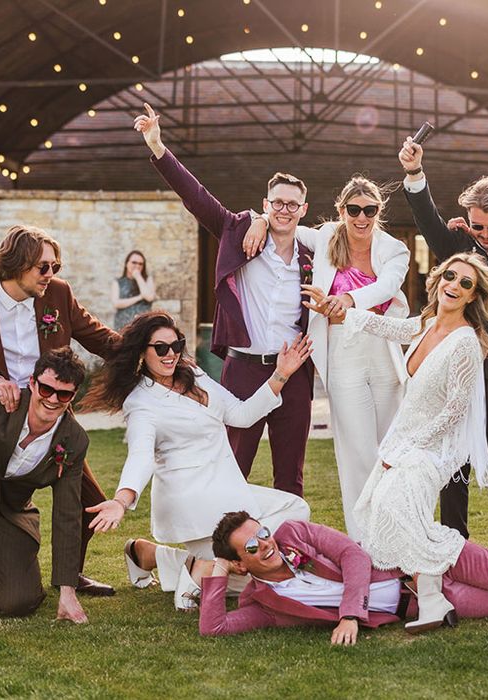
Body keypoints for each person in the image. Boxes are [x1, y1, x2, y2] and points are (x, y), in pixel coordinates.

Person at [305, 253, 488, 632]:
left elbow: (455, 411)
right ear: (439, 280)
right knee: (382, 508)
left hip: (437, 447)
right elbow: (386, 326)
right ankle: (431, 597)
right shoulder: (426, 323)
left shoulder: (466, 343)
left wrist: (408, 451)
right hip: (404, 438)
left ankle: (444, 581)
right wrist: (340, 312)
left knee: (399, 506)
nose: (454, 285)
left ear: (472, 296)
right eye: (450, 276)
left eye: (465, 283)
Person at [134, 103, 313, 497]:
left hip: (295, 373)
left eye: (291, 204)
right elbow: (196, 197)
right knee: (234, 468)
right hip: (243, 370)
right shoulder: (238, 234)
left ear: (303, 210)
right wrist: (159, 147)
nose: (283, 210)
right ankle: (228, 555)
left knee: (290, 475)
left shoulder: (314, 255)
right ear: (266, 205)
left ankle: (291, 552)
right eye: (276, 203)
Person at [82, 312, 311, 608]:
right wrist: (121, 501)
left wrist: (281, 373)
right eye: (160, 348)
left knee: (296, 509)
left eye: (176, 345)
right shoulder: (140, 403)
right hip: (191, 501)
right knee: (253, 567)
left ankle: (177, 560)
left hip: (228, 488)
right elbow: (140, 457)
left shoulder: (194, 373)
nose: (171, 354)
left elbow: (241, 415)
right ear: (143, 351)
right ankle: (197, 573)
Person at [191, 512, 488, 643]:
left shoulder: (297, 532)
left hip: (429, 558)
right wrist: (214, 573)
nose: (267, 543)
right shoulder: (264, 604)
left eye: (264, 532)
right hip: (422, 603)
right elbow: (215, 628)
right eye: (252, 547)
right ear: (240, 563)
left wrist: (347, 615)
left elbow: (354, 558)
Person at [0, 224, 119, 595]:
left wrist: (152, 351)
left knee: (91, 504)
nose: (51, 275)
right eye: (44, 267)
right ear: (16, 262)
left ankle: (71, 576)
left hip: (51, 411)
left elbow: (100, 337)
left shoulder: (57, 294)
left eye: (56, 267)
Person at [244, 176, 410, 541]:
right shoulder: (324, 237)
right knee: (355, 451)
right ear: (342, 211)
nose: (362, 217)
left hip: (381, 350)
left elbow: (387, 287)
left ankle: (397, 531)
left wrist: (349, 301)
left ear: (379, 211)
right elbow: (282, 221)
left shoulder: (395, 249)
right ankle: (365, 540)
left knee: (392, 449)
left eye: (370, 210)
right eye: (354, 210)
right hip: (342, 354)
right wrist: (259, 218)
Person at [398, 136, 488, 553]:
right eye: (478, 227)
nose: (485, 235)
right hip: (458, 372)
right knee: (452, 465)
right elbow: (427, 220)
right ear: (467, 221)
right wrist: (415, 173)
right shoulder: (459, 245)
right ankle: (454, 546)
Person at [0, 348, 91, 622]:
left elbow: (67, 514)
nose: (52, 400)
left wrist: (67, 590)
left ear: (73, 396)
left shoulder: (74, 440)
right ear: (33, 383)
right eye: (46, 389)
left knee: (18, 603)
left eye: (63, 395)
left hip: (8, 514)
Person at [111, 250, 156, 329]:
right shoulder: (118, 282)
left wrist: (138, 277)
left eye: (140, 264)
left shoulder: (148, 280)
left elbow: (149, 297)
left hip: (143, 327)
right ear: (126, 263)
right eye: (134, 262)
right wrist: (140, 297)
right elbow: (117, 303)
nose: (137, 266)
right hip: (123, 327)